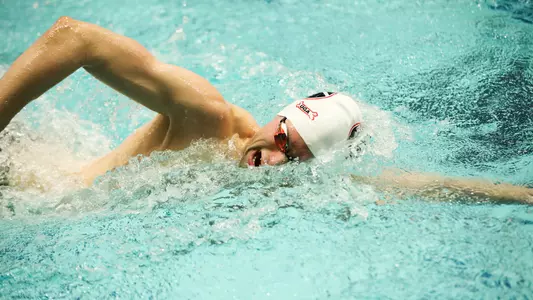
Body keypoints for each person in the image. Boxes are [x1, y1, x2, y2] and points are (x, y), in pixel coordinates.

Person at [0, 17, 531, 204]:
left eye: (294, 158)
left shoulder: (287, 181)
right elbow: (76, 37)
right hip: (20, 183)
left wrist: (517, 194)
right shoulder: (206, 116)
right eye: (281, 138)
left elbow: (402, 185)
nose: (273, 161)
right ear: (280, 118)